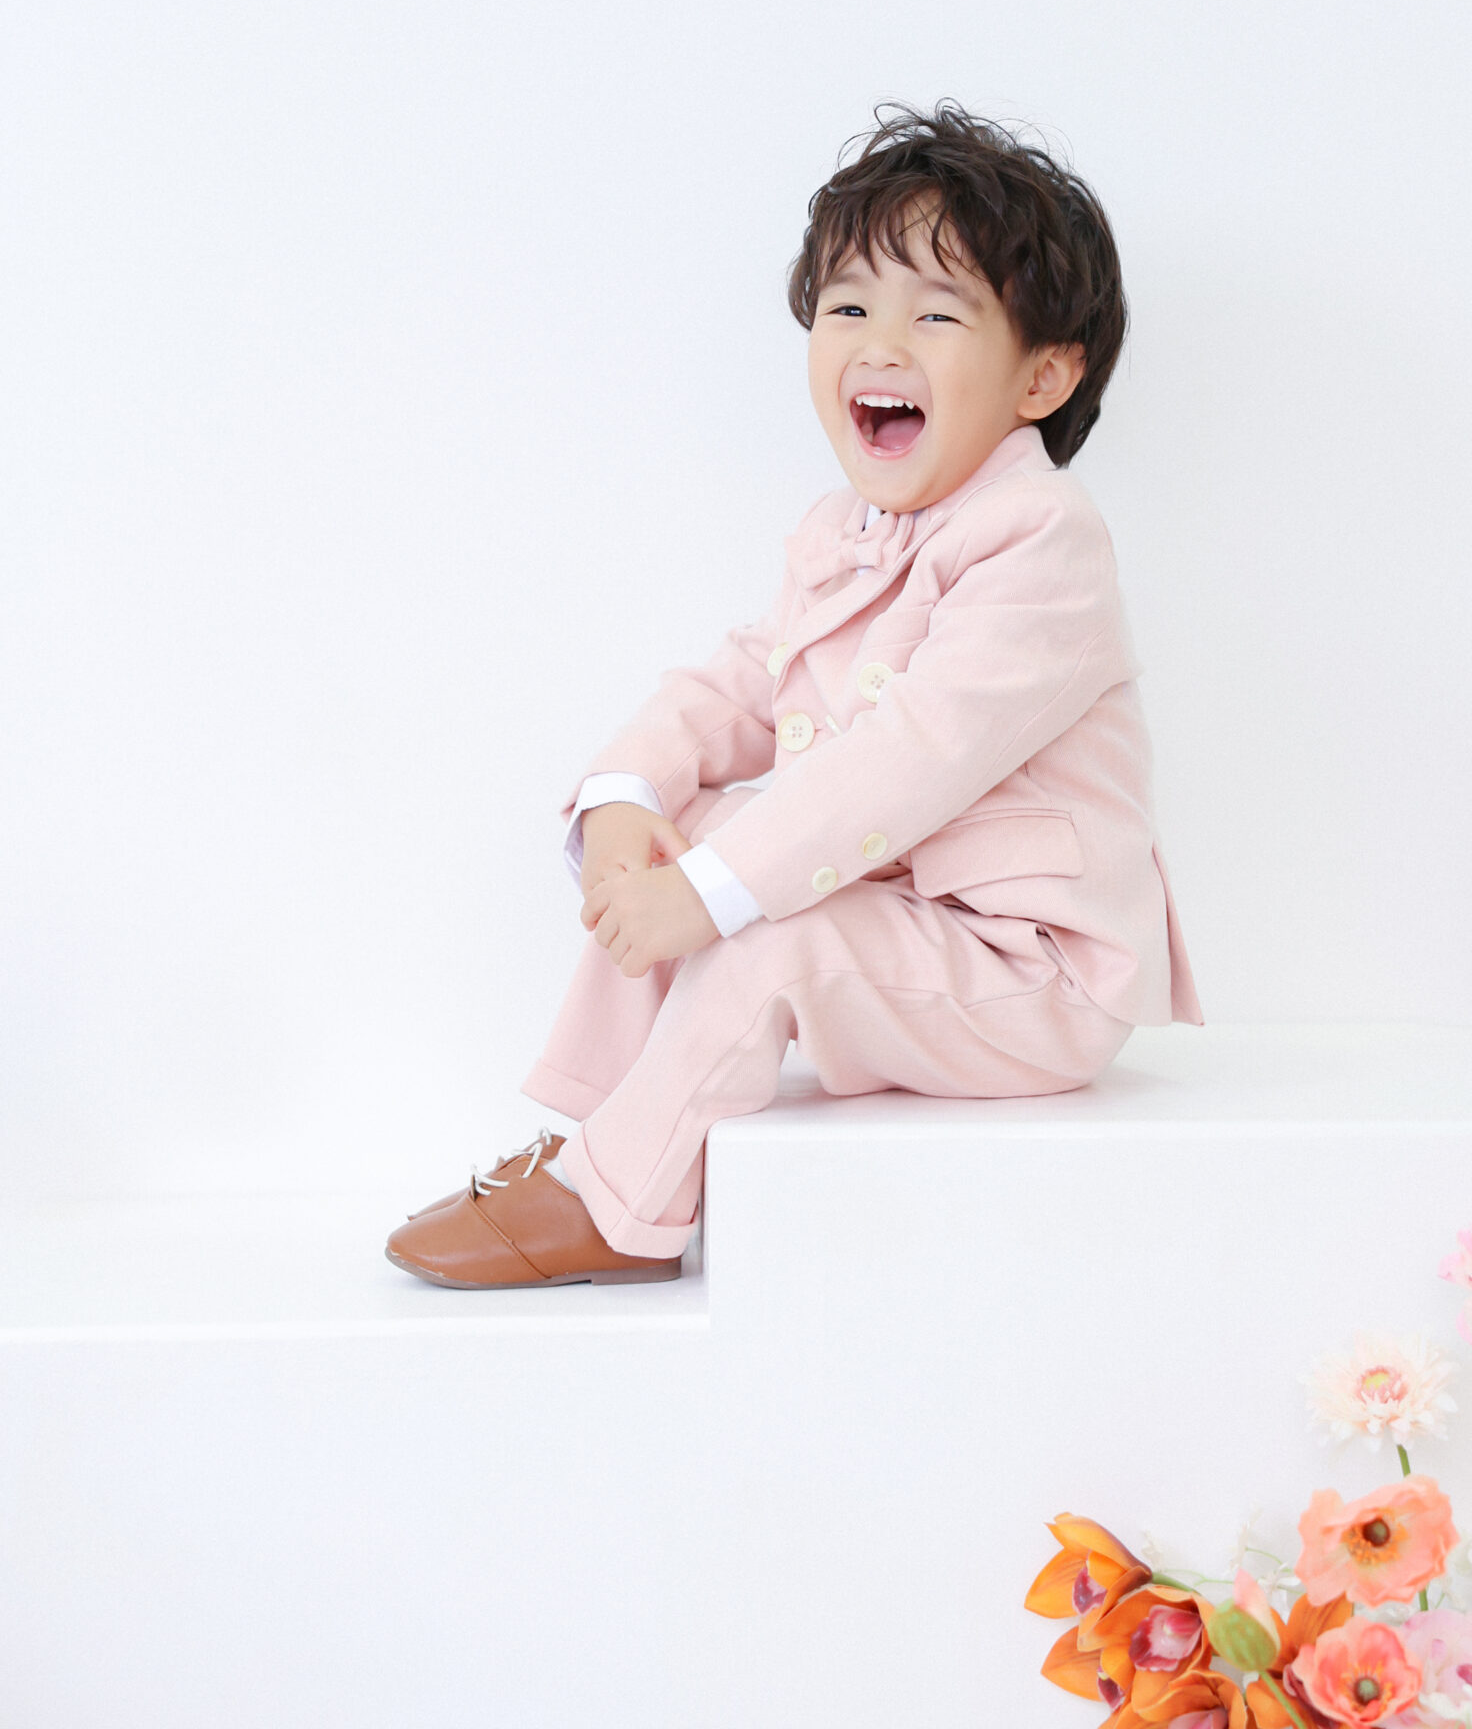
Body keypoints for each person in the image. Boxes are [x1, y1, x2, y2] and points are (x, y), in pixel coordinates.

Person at [384, 102, 1200, 1289]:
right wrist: (624, 797)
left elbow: (912, 755)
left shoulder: (1042, 536)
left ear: (1042, 374)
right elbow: (740, 680)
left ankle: (618, 1208)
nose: (880, 343)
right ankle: (601, 1136)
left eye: (935, 314)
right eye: (848, 308)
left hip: (1029, 977)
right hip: (914, 925)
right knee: (690, 833)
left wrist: (706, 897)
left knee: (766, 928)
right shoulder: (844, 529)